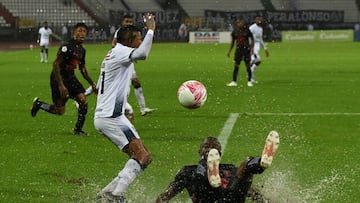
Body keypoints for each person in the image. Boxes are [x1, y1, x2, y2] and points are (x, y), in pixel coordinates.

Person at [94, 13, 155, 202]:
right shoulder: (121, 52)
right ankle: (116, 194)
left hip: (112, 115)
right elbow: (143, 53)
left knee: (144, 157)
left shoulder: (116, 53)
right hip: (111, 117)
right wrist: (151, 30)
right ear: (130, 40)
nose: (140, 42)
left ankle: (107, 193)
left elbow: (103, 87)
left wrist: (126, 106)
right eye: (138, 38)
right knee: (142, 155)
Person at [156, 131, 280, 203]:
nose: (210, 149)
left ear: (219, 154)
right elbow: (167, 194)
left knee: (245, 166)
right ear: (200, 151)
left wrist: (265, 200)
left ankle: (261, 162)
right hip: (206, 198)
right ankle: (211, 176)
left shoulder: (230, 168)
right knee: (201, 175)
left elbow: (248, 190)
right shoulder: (188, 171)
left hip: (230, 198)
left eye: (213, 148)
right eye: (207, 147)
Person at [31, 23, 97, 136]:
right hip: (58, 78)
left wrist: (92, 84)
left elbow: (83, 69)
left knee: (82, 100)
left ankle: (78, 130)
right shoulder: (66, 46)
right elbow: (56, 64)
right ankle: (39, 104)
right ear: (74, 32)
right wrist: (61, 85)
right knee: (59, 111)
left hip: (71, 77)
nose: (82, 33)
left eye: (84, 31)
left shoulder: (82, 50)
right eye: (79, 31)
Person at [112, 14, 156, 116]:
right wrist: (126, 53)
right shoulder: (120, 31)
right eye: (126, 21)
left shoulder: (131, 32)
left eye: (130, 22)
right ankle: (124, 108)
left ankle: (142, 108)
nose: (128, 23)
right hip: (120, 61)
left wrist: (131, 54)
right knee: (121, 84)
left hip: (125, 59)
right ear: (122, 22)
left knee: (135, 82)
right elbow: (114, 43)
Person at [226, 18, 254, 87]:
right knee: (236, 66)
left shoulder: (247, 30)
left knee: (248, 66)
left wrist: (252, 48)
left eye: (240, 22)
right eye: (238, 22)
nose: (239, 24)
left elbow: (252, 39)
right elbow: (232, 42)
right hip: (238, 50)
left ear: (243, 23)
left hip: (246, 50)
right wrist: (229, 51)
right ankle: (234, 81)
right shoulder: (235, 31)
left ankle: (249, 81)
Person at [249, 15, 269, 84]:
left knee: (256, 62)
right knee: (256, 60)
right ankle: (249, 77)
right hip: (252, 45)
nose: (259, 20)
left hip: (257, 47)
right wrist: (250, 47)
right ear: (255, 20)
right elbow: (248, 37)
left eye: (260, 19)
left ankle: (250, 77)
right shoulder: (252, 28)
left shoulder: (260, 29)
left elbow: (260, 39)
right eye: (257, 19)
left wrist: (265, 48)